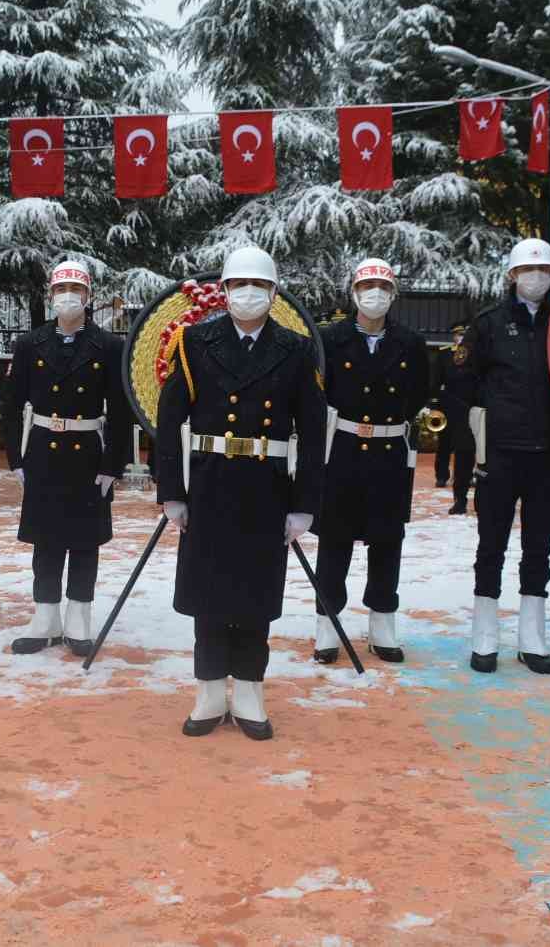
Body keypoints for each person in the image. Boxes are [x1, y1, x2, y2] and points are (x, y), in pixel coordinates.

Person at [156, 245, 326, 741]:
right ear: (225, 291)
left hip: (266, 487)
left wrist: (304, 504)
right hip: (209, 484)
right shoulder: (193, 341)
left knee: (256, 591)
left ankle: (250, 690)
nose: (248, 293)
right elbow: (170, 421)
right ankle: (209, 691)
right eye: (239, 285)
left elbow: (313, 432)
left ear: (274, 292)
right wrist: (172, 492)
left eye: (259, 285)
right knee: (208, 592)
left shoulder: (296, 349)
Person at [3, 260, 131, 656]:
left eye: (76, 289)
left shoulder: (109, 346)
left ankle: (78, 622)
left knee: (85, 541)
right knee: (45, 540)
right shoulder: (30, 344)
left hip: (87, 455)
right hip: (43, 451)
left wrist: (113, 465)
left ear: (89, 295)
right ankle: (45, 620)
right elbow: (12, 405)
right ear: (50, 294)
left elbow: (121, 411)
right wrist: (16, 458)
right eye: (61, 289)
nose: (68, 296)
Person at [463, 238, 550, 675]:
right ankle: (484, 637)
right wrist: (481, 438)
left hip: (548, 455)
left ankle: (532, 639)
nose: (537, 277)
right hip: (500, 454)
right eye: (529, 270)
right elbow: (463, 384)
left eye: (545, 271)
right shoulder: (488, 324)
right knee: (491, 545)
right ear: (512, 275)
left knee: (539, 549)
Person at [311, 258, 428, 664]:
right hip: (342, 450)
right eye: (366, 287)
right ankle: (327, 626)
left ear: (393, 295)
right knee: (334, 543)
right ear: (354, 293)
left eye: (383, 287)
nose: (374, 294)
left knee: (387, 542)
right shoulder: (329, 340)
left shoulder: (410, 343)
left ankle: (382, 626)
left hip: (389, 452)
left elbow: (418, 393)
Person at [433, 321, 475, 514]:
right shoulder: (444, 354)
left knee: (468, 451)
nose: (461, 338)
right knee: (445, 443)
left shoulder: (476, 354)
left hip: (471, 408)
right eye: (459, 335)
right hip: (449, 406)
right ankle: (442, 476)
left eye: (464, 335)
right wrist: (435, 406)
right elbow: (436, 381)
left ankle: (466, 492)